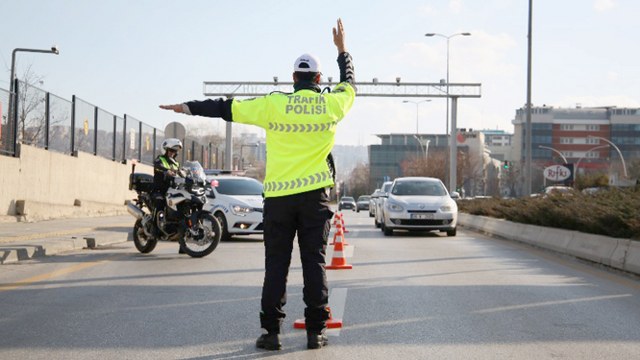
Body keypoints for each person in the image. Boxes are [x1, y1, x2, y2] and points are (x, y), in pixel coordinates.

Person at [159, 18, 355, 350]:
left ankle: (271, 333)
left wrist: (187, 107)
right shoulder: (331, 103)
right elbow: (350, 83)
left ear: (294, 79)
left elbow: (226, 108)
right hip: (314, 199)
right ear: (319, 80)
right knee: (314, 262)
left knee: (276, 265)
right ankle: (315, 332)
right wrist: (342, 50)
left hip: (279, 199)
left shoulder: (273, 103)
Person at [152, 138, 182, 237]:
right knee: (160, 203)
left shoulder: (176, 163)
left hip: (172, 190)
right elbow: (157, 165)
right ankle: (155, 229)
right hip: (160, 189)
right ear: (165, 150)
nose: (172, 153)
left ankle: (182, 240)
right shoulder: (160, 159)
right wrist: (166, 170)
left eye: (174, 151)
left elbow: (181, 173)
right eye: (171, 150)